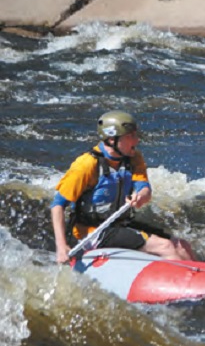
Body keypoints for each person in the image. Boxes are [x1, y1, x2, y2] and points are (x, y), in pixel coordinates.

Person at [51, 111, 195, 264]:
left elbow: (144, 188)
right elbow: (57, 205)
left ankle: (201, 278)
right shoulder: (86, 165)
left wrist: (141, 196)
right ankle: (182, 282)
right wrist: (61, 246)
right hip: (92, 233)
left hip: (119, 225)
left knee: (181, 246)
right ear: (112, 139)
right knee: (164, 246)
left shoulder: (134, 158)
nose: (137, 140)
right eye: (130, 136)